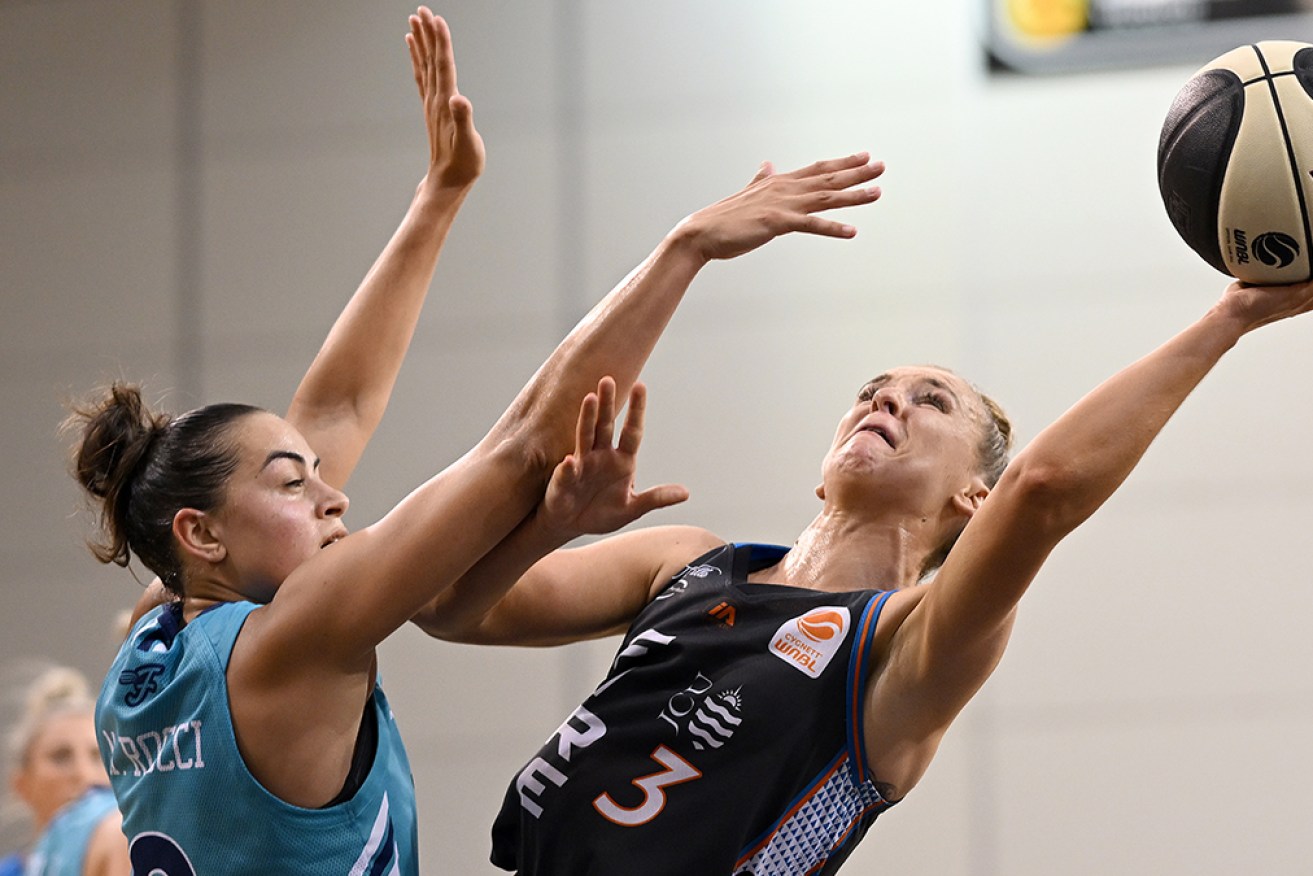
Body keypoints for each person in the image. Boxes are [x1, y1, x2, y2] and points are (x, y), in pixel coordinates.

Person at [68, 8, 885, 875]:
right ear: (201, 532)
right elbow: (524, 445)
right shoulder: (295, 637)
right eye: (291, 484)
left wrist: (439, 197)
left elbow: (337, 409)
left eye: (313, 477)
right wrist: (682, 251)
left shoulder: (147, 649)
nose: (333, 492)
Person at [413, 201, 1313, 870]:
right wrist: (548, 528)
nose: (888, 399)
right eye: (876, 389)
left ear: (971, 497)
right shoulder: (685, 559)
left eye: (931, 403)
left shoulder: (906, 648)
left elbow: (1040, 489)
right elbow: (452, 611)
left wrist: (1228, 319)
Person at [2, 667, 127, 876]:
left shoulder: (126, 836)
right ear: (22, 785)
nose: (85, 775)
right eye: (60, 757)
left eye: (99, 756)